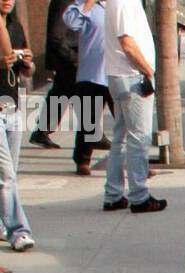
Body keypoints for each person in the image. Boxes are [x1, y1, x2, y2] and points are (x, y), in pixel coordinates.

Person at [101, 0, 164, 212]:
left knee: (120, 138)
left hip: (122, 76)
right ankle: (139, 196)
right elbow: (126, 43)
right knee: (139, 137)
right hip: (131, 77)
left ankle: (113, 194)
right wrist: (148, 70)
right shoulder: (122, 2)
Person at [0, 0, 35, 264]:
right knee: (6, 176)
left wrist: (26, 64)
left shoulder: (15, 26)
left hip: (12, 107)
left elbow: (27, 68)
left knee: (10, 173)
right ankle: (18, 230)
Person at [64, 0, 112, 176]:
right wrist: (89, 3)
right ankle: (83, 160)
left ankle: (138, 161)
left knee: (127, 120)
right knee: (88, 122)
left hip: (118, 71)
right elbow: (71, 22)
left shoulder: (122, 4)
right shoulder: (84, 4)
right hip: (93, 73)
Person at [30, 3, 79, 149]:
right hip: (69, 58)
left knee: (61, 93)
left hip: (70, 58)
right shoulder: (65, 2)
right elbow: (56, 36)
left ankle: (42, 131)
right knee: (86, 94)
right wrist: (73, 58)